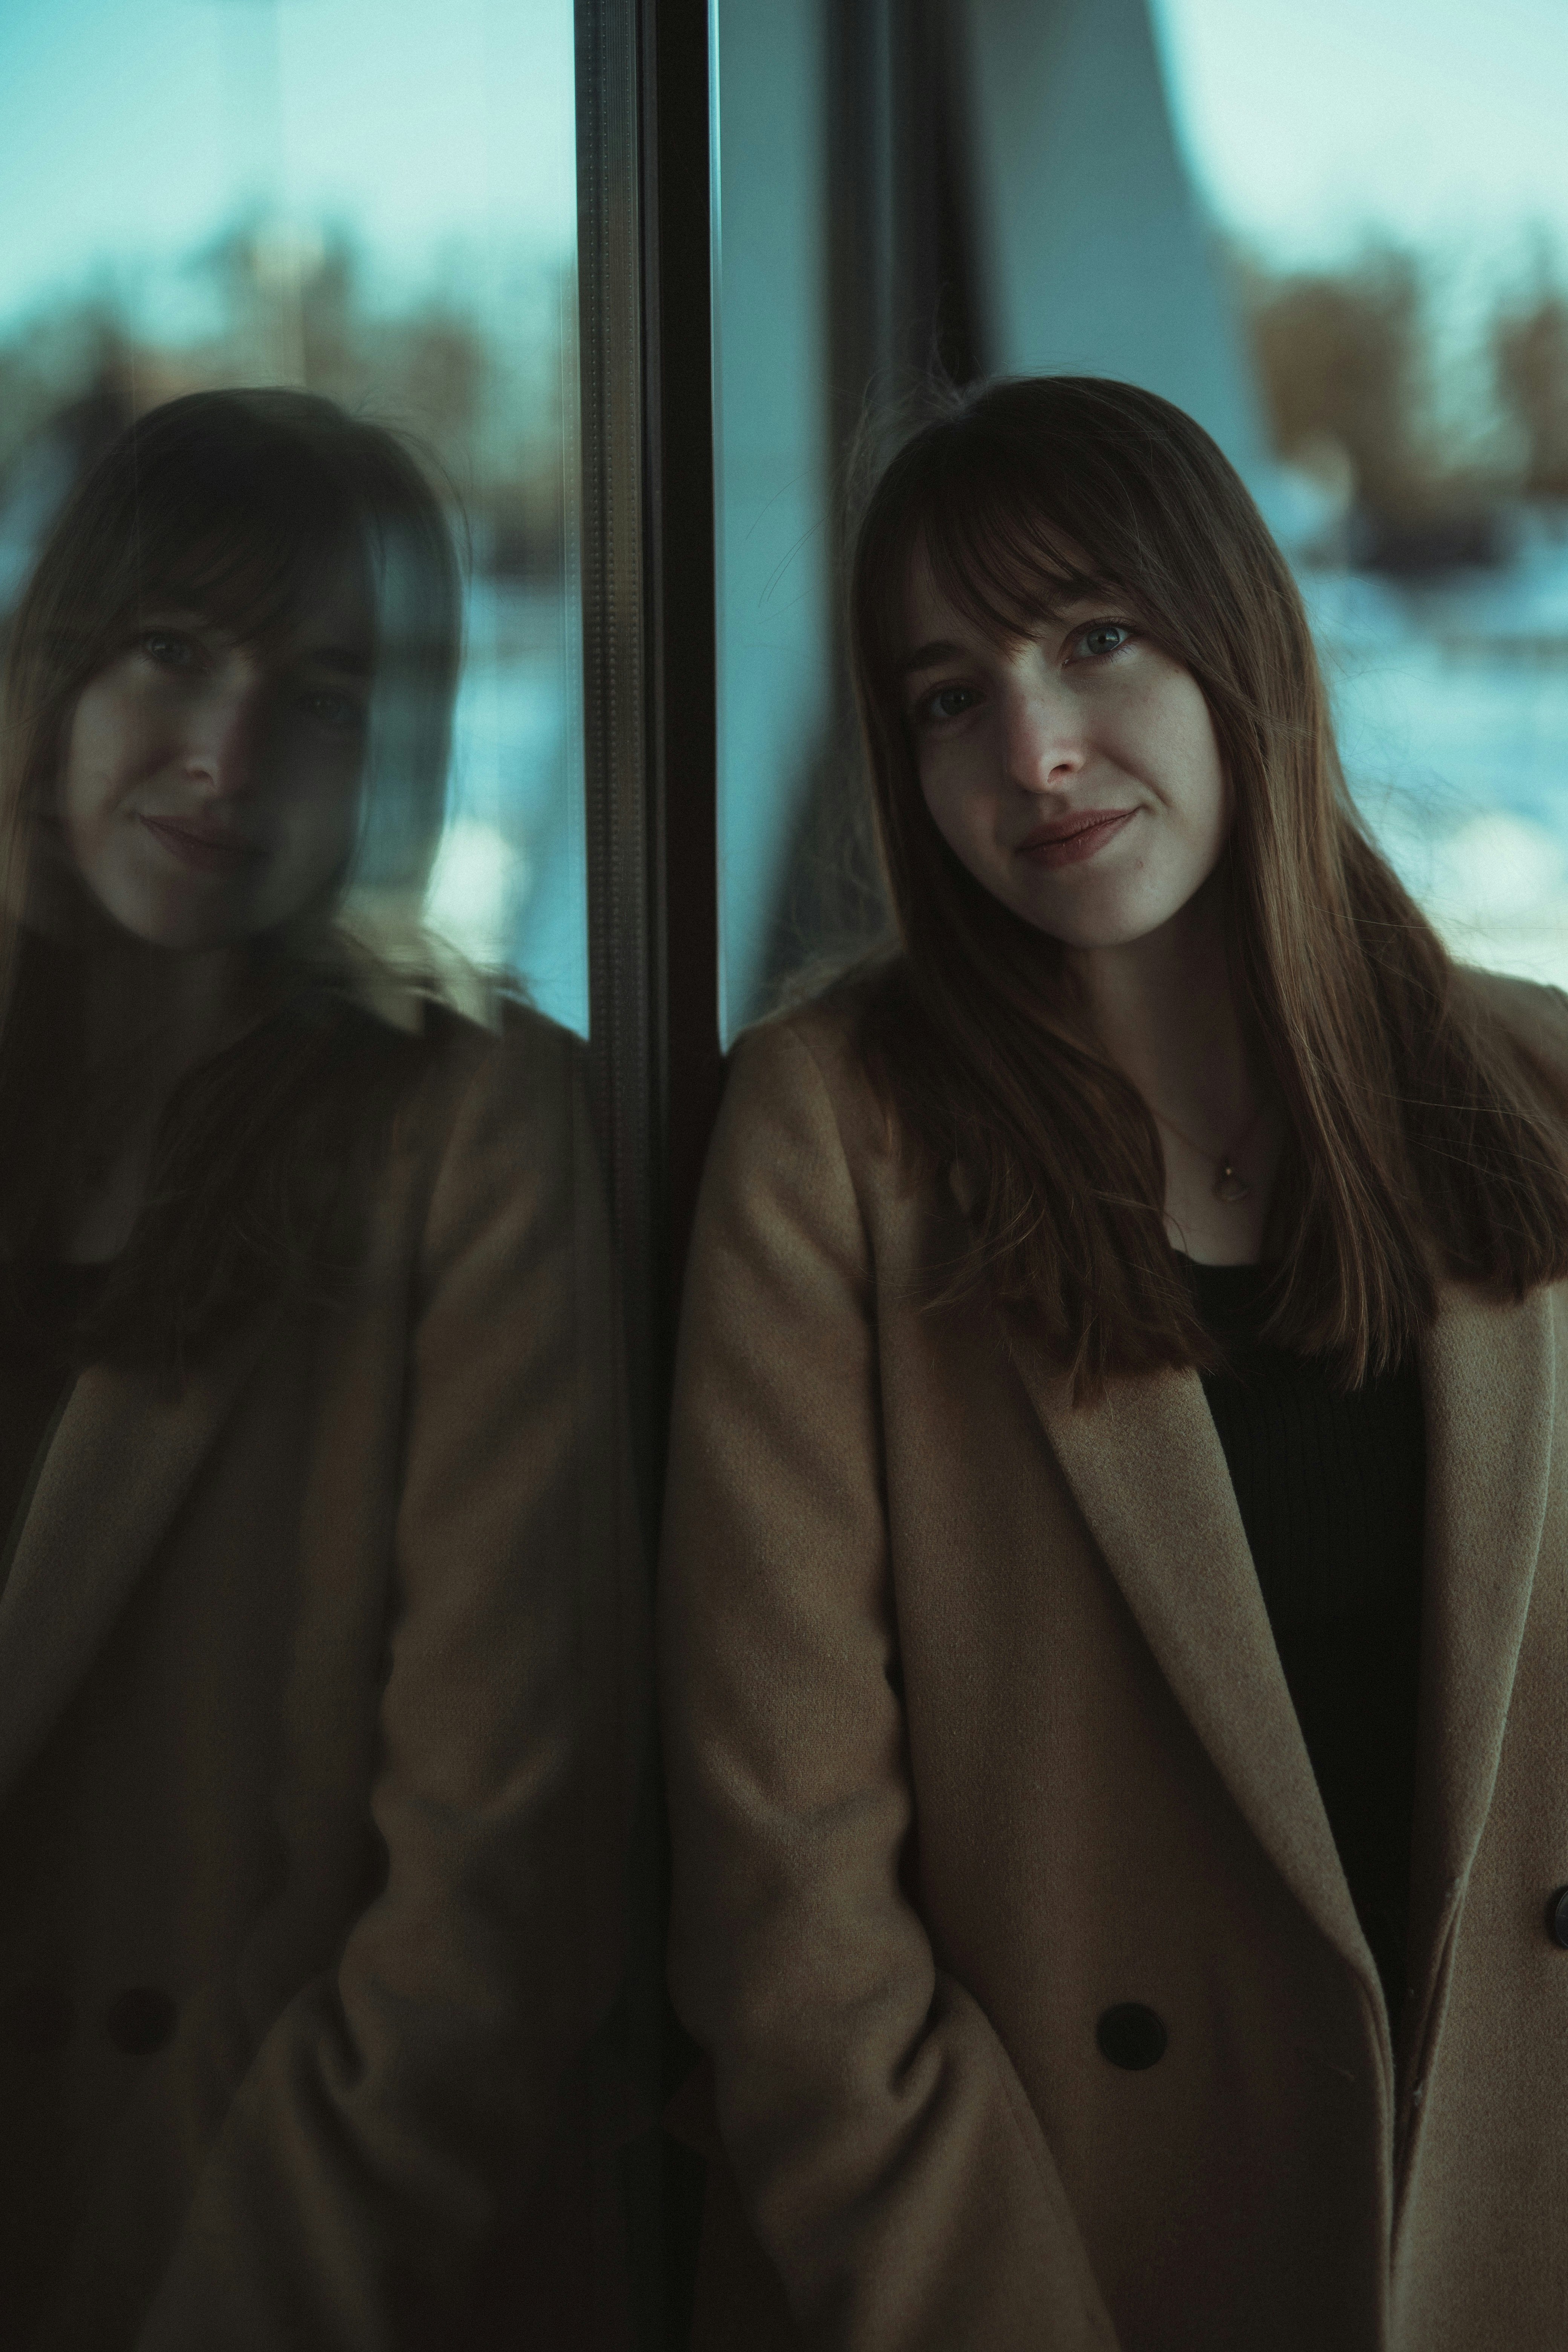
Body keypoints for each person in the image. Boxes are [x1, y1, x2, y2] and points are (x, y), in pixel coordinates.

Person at [658, 375, 1568, 2351]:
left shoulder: (1545, 1091)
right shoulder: (838, 1139)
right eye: (948, 696)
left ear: (1239, 645)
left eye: (1094, 640)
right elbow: (790, 1885)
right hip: (1065, 2253)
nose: (1036, 750)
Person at [0, 387, 645, 2349]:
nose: (224, 756)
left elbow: (488, 1884)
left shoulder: (471, 1125)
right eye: (170, 655)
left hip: (228, 2234)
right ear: (55, 674)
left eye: (327, 694)